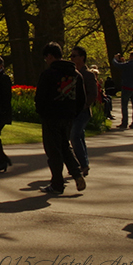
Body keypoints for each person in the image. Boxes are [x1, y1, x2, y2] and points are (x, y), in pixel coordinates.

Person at [34, 42, 86, 195]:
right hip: (68, 116)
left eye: (46, 58)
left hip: (51, 116)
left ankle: (57, 183)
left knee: (53, 150)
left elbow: (40, 97)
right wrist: (73, 113)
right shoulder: (76, 74)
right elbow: (81, 99)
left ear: (50, 56)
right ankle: (76, 174)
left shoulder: (49, 74)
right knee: (65, 146)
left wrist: (41, 112)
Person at [69, 46, 99, 176]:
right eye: (71, 56)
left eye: (74, 56)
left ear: (82, 57)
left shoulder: (88, 74)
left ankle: (83, 165)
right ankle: (84, 163)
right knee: (79, 137)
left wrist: (84, 105)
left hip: (83, 111)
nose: (72, 58)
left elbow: (93, 94)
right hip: (73, 111)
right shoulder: (71, 73)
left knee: (75, 136)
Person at [112, 52, 133, 129]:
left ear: (132, 56)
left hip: (127, 86)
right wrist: (124, 62)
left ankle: (124, 122)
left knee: (124, 105)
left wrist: (115, 59)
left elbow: (117, 65)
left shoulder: (128, 64)